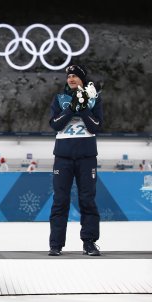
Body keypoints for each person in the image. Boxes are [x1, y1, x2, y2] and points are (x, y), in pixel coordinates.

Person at [48, 64, 103, 257]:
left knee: (87, 200)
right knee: (60, 200)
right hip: (63, 157)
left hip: (86, 158)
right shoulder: (59, 98)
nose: (71, 79)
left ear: (82, 79)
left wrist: (85, 108)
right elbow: (55, 124)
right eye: (69, 76)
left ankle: (89, 242)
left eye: (75, 76)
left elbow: (96, 126)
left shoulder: (94, 98)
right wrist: (71, 109)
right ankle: (55, 244)